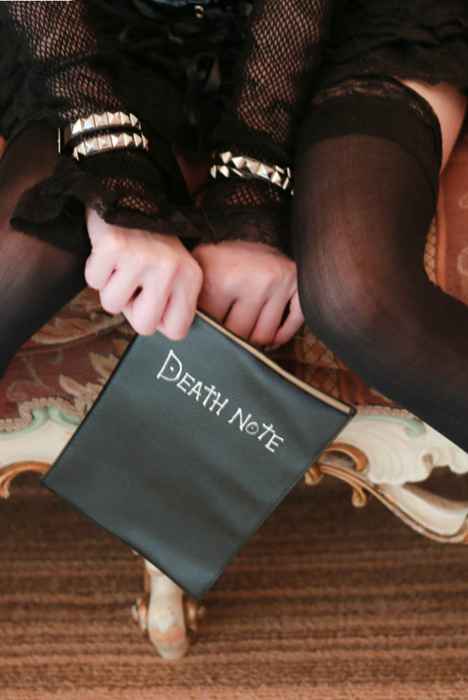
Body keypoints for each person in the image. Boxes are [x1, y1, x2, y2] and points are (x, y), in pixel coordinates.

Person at [1, 1, 468, 453]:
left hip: (349, 22)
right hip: (92, 26)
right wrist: (118, 183)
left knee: (356, 293)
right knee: (19, 259)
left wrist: (253, 202)